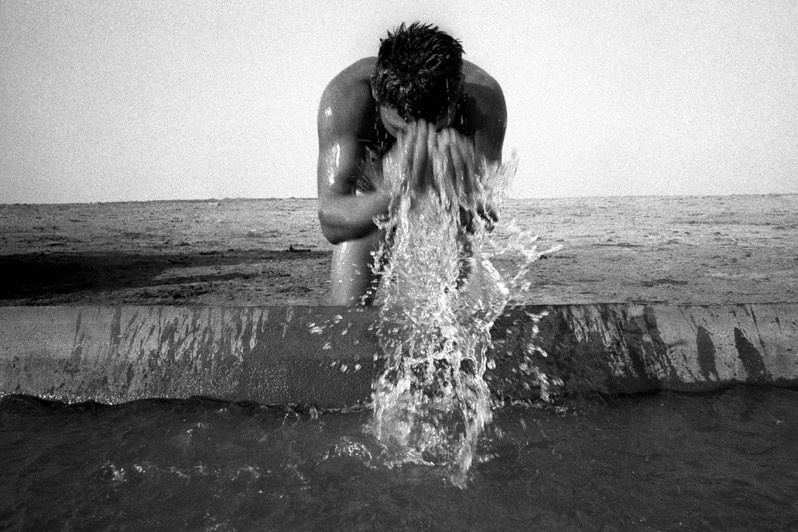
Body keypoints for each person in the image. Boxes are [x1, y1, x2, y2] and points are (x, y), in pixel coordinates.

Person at [317, 22, 507, 305]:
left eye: (437, 128)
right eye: (401, 131)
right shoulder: (346, 99)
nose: (419, 142)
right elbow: (332, 221)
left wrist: (463, 195)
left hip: (444, 206)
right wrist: (391, 192)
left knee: (464, 320)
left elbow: (484, 220)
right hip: (374, 198)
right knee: (346, 315)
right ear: (378, 95)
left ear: (456, 100)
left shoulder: (483, 100)